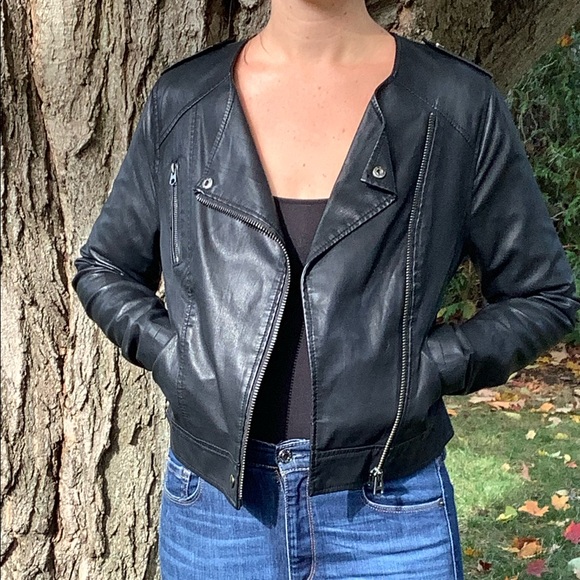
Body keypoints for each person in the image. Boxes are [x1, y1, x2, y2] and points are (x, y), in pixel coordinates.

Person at [72, 1, 580, 578]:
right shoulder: (187, 101)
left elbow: (542, 293)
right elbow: (105, 266)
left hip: (388, 509)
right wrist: (179, 357)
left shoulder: (456, 104)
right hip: (216, 514)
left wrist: (427, 369)